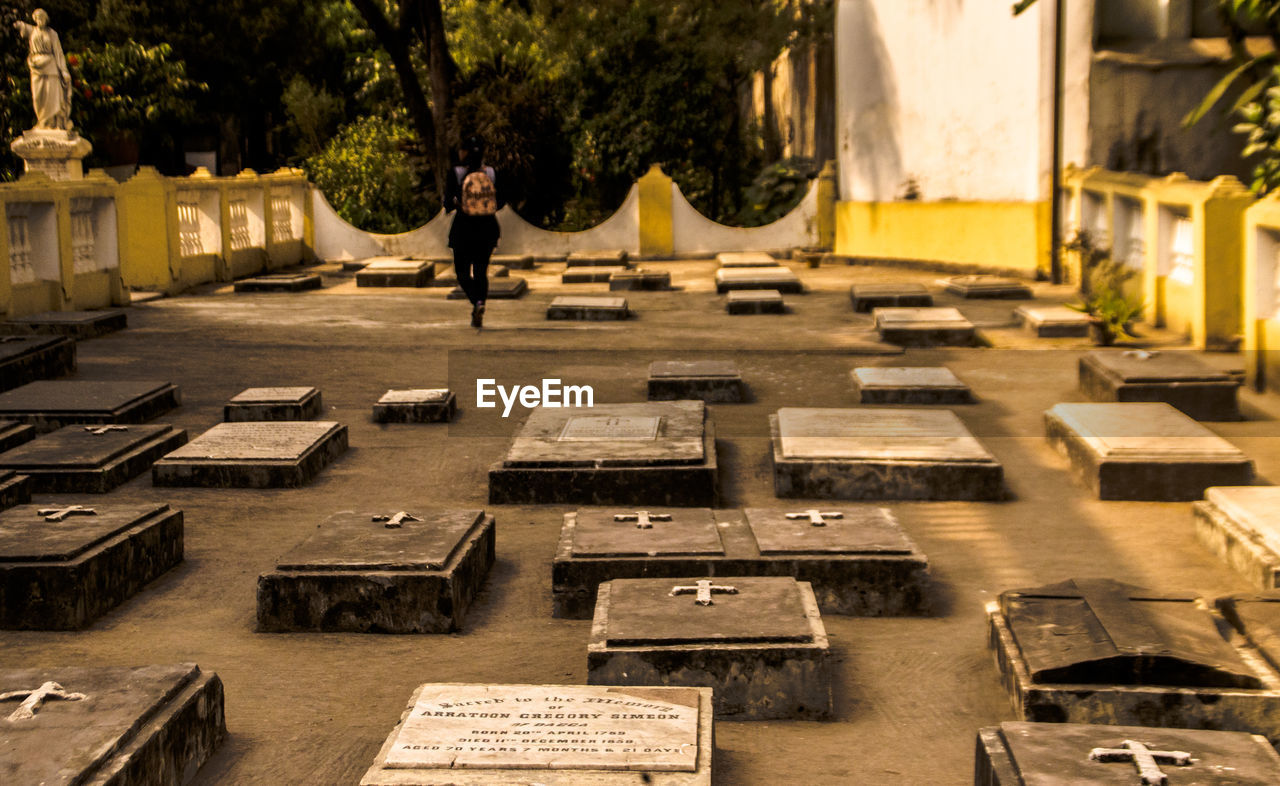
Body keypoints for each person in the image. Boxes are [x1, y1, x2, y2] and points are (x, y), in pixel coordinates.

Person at [445, 135, 502, 328]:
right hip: (488, 229)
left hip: (463, 229)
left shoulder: (457, 173)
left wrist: (456, 203)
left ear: (465, 152)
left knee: (462, 273)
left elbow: (447, 203)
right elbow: (500, 202)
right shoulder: (492, 173)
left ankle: (475, 301)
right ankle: (480, 303)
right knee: (480, 272)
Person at [14, 9, 72, 131]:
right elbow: (23, 26)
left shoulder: (52, 34)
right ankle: (42, 122)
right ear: (35, 20)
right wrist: (18, 24)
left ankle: (52, 123)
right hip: (35, 66)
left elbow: (59, 53)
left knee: (51, 95)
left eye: (42, 18)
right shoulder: (33, 31)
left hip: (51, 66)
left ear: (46, 19)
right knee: (37, 97)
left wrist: (64, 70)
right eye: (38, 18)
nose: (40, 20)